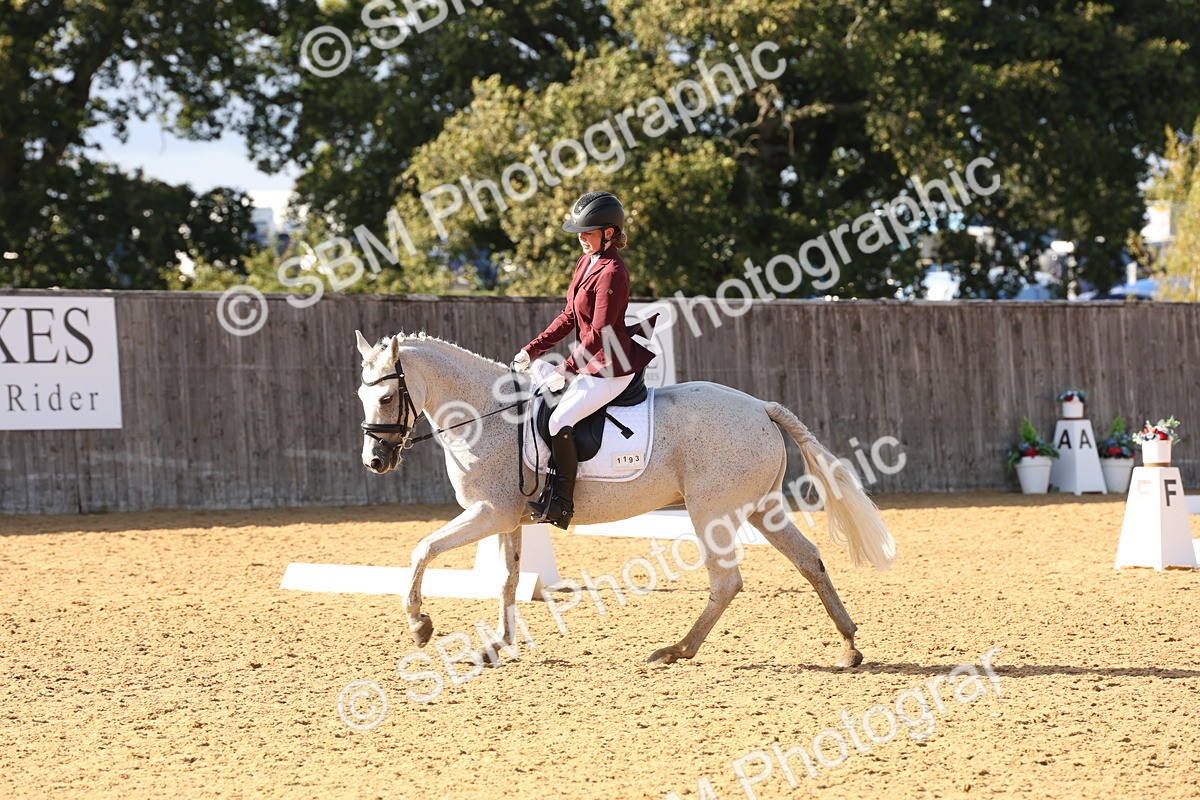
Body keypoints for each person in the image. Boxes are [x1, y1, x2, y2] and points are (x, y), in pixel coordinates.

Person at [511, 191, 657, 528]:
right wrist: (532, 349)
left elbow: (602, 331)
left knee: (559, 420)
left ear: (609, 233)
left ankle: (562, 504)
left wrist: (566, 369)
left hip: (611, 365)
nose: (581, 239)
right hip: (589, 360)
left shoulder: (613, 271)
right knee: (537, 395)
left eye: (588, 233)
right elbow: (568, 317)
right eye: (579, 233)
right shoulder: (586, 262)